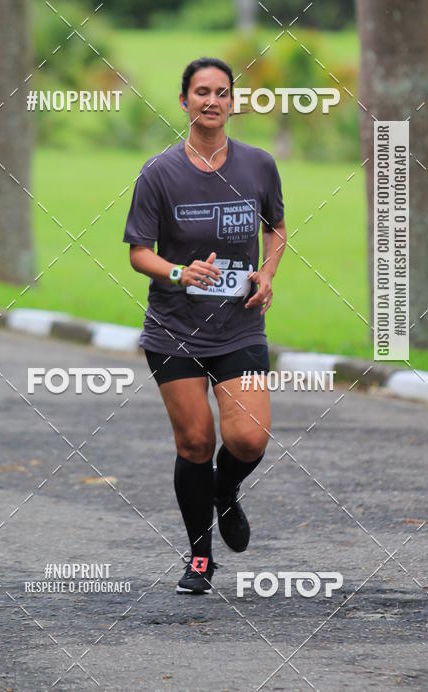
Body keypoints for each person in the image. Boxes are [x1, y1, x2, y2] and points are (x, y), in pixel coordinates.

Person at [123, 57, 286, 594]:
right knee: (195, 441)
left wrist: (266, 272)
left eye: (221, 92)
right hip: (174, 330)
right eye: (201, 92)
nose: (211, 100)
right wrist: (177, 271)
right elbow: (138, 253)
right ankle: (199, 557)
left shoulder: (259, 165)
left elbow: (277, 228)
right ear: (184, 101)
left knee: (249, 438)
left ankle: (226, 492)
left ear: (233, 102)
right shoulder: (159, 172)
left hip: (240, 326)